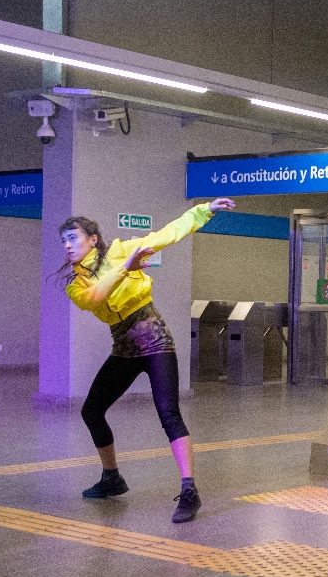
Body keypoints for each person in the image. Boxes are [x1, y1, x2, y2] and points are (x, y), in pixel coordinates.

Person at [58, 199, 234, 523]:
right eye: (65, 241)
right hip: (124, 348)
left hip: (155, 341)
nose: (68, 246)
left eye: (74, 238)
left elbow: (166, 235)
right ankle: (112, 477)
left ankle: (189, 490)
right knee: (92, 410)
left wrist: (204, 210)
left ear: (93, 239)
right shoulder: (75, 282)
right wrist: (126, 270)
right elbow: (96, 296)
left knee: (169, 413)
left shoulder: (123, 250)